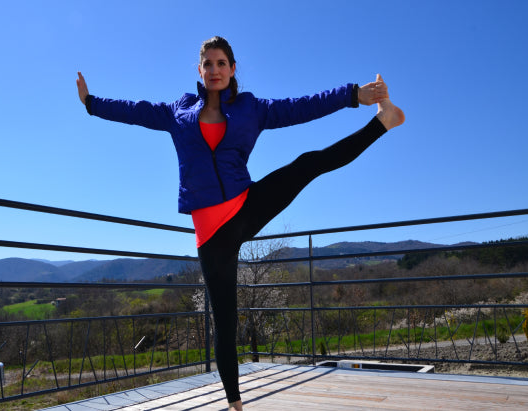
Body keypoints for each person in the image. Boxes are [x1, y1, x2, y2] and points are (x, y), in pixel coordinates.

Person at [76, 36, 404, 411]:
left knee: (307, 164)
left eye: (221, 63)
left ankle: (385, 121)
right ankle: (235, 404)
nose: (214, 70)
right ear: (199, 71)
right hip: (211, 231)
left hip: (246, 206)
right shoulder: (177, 111)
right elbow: (136, 110)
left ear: (232, 69)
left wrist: (351, 95)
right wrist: (91, 103)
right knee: (224, 319)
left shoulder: (251, 108)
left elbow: (300, 107)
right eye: (208, 64)